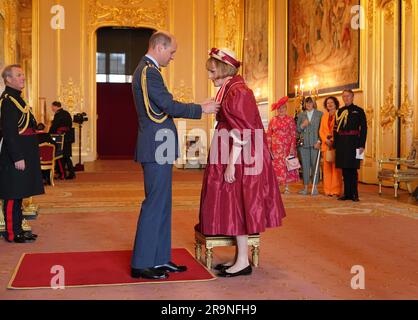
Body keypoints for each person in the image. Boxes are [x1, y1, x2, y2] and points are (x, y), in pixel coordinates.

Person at [130, 31, 219, 280]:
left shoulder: (150, 71)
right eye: (171, 52)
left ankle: (159, 259)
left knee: (163, 204)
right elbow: (167, 105)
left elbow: (162, 107)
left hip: (162, 144)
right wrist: (201, 108)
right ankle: (142, 263)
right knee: (154, 203)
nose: (173, 57)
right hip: (156, 145)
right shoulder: (148, 71)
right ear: (159, 47)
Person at [197, 48, 286, 277]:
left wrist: (230, 163)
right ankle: (240, 259)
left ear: (224, 69)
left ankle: (243, 262)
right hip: (233, 153)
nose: (209, 76)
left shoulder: (239, 92)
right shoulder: (231, 89)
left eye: (212, 70)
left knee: (239, 203)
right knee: (234, 203)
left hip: (241, 158)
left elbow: (244, 131)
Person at [0, 64, 44, 243]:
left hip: (26, 152)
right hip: (14, 156)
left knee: (20, 193)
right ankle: (11, 232)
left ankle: (18, 228)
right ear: (8, 79)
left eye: (23, 75)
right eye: (19, 75)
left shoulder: (19, 99)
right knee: (12, 194)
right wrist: (17, 156)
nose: (23, 78)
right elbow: (9, 132)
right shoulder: (7, 101)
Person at [334, 89, 367, 202]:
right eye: (344, 96)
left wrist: (362, 145)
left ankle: (354, 194)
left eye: (348, 96)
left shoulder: (359, 111)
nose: (346, 98)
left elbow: (364, 129)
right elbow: (335, 129)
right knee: (344, 169)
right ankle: (347, 194)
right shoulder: (339, 111)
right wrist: (335, 144)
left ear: (352, 97)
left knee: (353, 169)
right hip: (342, 143)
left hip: (355, 143)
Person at [266, 96, 299, 193]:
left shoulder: (290, 120)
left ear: (286, 109)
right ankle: (276, 187)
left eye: (283, 108)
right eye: (279, 108)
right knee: (276, 167)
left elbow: (293, 134)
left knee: (286, 166)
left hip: (287, 147)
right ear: (277, 110)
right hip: (275, 148)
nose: (281, 110)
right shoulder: (273, 120)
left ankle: (287, 187)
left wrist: (292, 147)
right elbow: (269, 134)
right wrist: (268, 147)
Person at [296, 97, 323, 195]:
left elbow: (322, 129)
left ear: (314, 103)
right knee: (305, 166)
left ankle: (315, 187)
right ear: (304, 104)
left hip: (315, 143)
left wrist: (319, 141)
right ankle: (305, 187)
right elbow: (297, 130)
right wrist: (302, 125)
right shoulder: (301, 115)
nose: (308, 104)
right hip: (304, 145)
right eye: (306, 103)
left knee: (315, 165)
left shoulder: (320, 114)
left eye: (310, 102)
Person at [319, 96, 342, 197]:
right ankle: (327, 190)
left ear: (335, 103)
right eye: (328, 103)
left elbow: (340, 129)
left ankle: (336, 190)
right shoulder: (324, 116)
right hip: (326, 146)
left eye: (331, 102)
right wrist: (326, 140)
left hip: (336, 145)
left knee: (336, 169)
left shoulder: (340, 114)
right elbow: (321, 131)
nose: (329, 104)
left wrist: (332, 140)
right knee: (327, 169)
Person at [49, 101, 75, 180]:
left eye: (52, 107)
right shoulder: (67, 113)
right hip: (68, 137)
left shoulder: (58, 114)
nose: (52, 108)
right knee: (67, 156)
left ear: (56, 106)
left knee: (60, 156)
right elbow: (70, 125)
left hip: (60, 138)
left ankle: (62, 174)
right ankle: (71, 173)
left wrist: (49, 134)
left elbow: (55, 126)